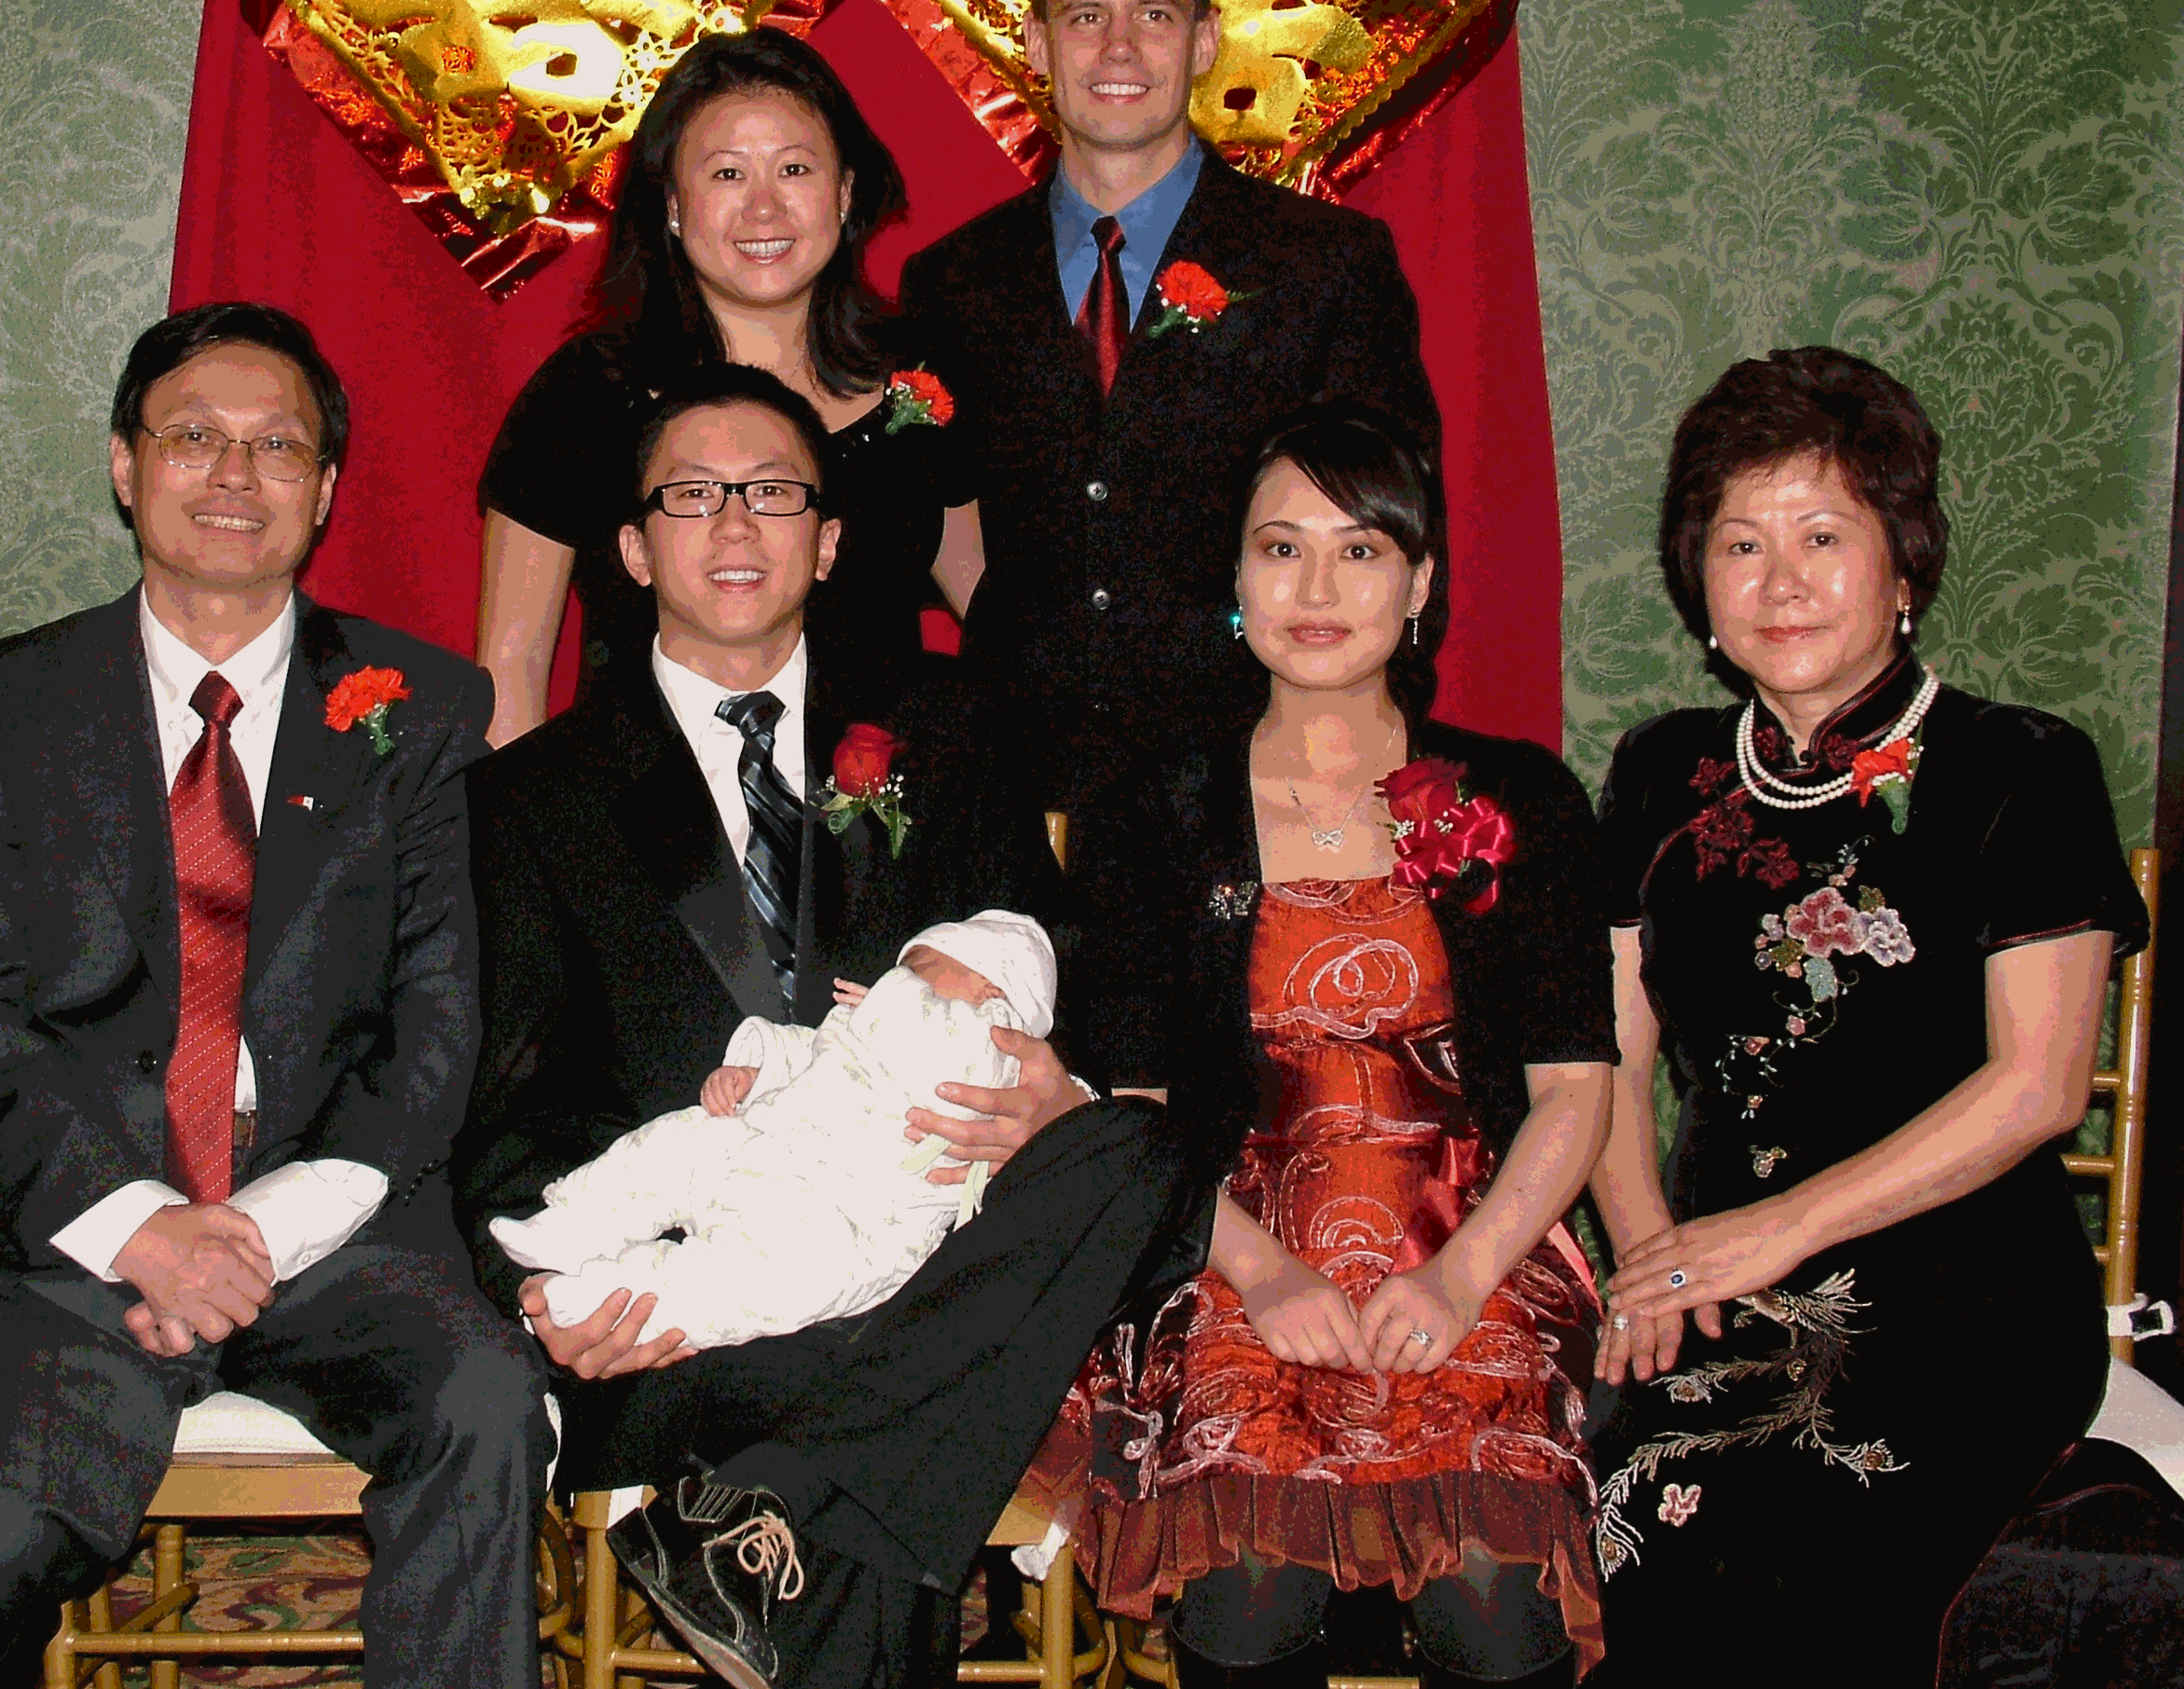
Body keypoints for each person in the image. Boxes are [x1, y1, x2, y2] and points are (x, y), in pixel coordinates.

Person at [454, 364, 1197, 1688]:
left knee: (1136, 1151)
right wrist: (546, 1285)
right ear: (631, 549)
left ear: (833, 539)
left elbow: (1058, 955)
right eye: (693, 495)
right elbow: (502, 1104)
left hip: (942, 1239)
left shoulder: (946, 735)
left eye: (774, 493)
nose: (736, 523)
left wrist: (1053, 1085)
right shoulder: (530, 800)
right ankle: (793, 1502)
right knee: (893, 1426)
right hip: (699, 1290)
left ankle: (775, 1508)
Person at [0, 304, 551, 1687]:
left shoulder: (422, 705)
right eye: (192, 439)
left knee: (484, 1410)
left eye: (277, 447)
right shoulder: (6, 706)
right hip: (69, 1239)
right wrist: (143, 1231)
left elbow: (440, 1025)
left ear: (325, 490)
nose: (235, 475)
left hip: (340, 1232)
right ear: (126, 465)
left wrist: (252, 1233)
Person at [1585, 347, 2148, 1684]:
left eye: (1823, 536)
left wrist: (1772, 1231)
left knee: (1803, 1539)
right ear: (1698, 585)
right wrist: (1652, 1253)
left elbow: (2038, 1088)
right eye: (1741, 543)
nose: (1780, 581)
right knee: (1629, 1520)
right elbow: (1600, 1050)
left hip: (1964, 1295)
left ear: (1903, 566)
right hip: (1713, 1276)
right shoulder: (1658, 771)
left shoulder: (2020, 767)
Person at [1035, 406, 1615, 1686]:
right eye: (1280, 549)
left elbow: (1576, 1091)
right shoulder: (1155, 809)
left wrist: (1458, 1279)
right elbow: (1131, 1106)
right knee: (1247, 1598)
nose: (1314, 589)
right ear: (1237, 583)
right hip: (1224, 1246)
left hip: (1481, 1241)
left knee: (1490, 1604)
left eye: (1359, 552)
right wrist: (1263, 1278)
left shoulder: (1521, 797)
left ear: (1420, 583)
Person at [899, 0, 1437, 810]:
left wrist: (1369, 761)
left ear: (1204, 39)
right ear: (1035, 43)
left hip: (1255, 784)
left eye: (1153, 14)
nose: (1119, 48)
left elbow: (1400, 527)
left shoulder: (1325, 265)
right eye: (1085, 17)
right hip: (1019, 788)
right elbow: (933, 509)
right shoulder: (954, 279)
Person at [477, 28, 977, 746]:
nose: (764, 209)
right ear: (673, 206)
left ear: (844, 192)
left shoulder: (919, 389)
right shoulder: (584, 397)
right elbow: (510, 676)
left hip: (885, 805)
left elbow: (999, 619)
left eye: (794, 169)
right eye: (727, 175)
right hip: (647, 808)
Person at [491, 912, 1056, 1347]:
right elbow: (817, 1050)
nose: (899, 977)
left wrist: (893, 1001)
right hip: (768, 1144)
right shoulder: (878, 1018)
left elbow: (954, 1061)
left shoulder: (998, 1050)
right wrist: (756, 1072)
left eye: (922, 970)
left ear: (992, 990)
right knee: (675, 1143)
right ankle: (573, 1224)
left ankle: (611, 1298)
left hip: (844, 1217)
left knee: (743, 1283)